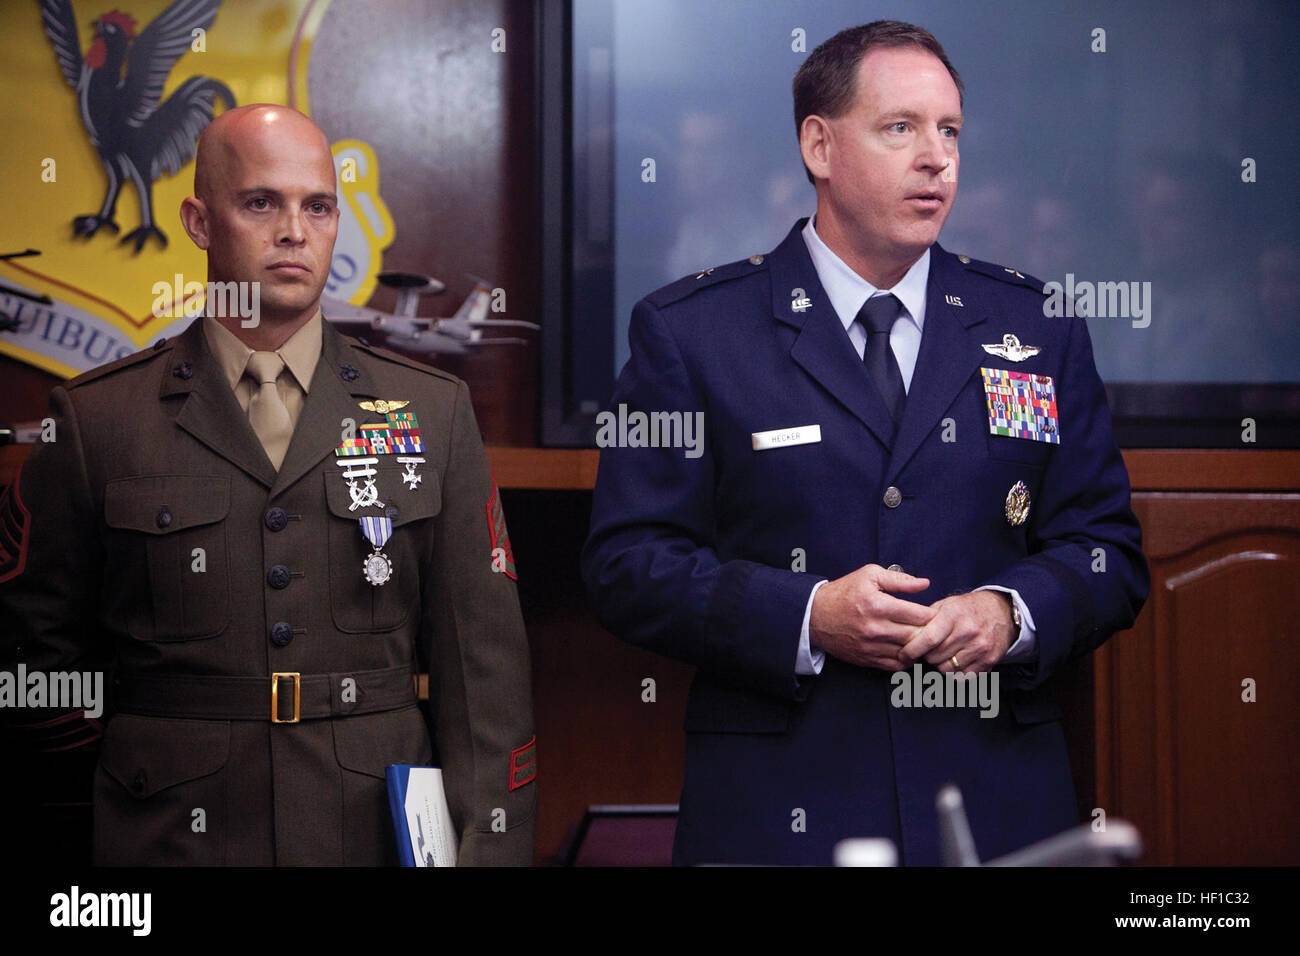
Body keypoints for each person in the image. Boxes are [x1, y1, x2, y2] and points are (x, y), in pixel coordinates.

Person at [581, 21, 1148, 866]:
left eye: (950, 131)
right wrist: (808, 615)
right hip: (783, 811)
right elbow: (628, 566)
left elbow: (1107, 551)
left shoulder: (1035, 325)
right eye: (901, 128)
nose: (937, 158)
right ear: (819, 144)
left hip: (992, 802)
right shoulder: (695, 332)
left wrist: (1010, 612)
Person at [0, 105, 536, 865]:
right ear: (197, 220)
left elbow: (484, 678)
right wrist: (138, 774)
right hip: (166, 837)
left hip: (369, 837)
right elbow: (36, 667)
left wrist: (489, 852)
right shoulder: (96, 422)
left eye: (317, 206)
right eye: (261, 203)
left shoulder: (433, 412)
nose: (294, 229)